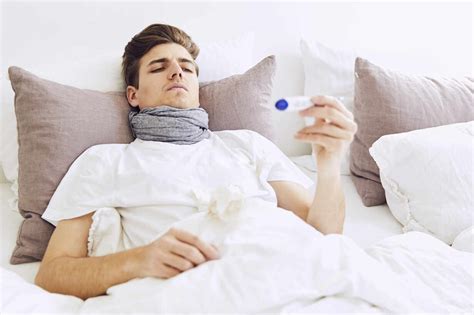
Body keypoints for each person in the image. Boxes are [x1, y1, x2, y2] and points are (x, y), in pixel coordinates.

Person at [34, 24, 357, 300]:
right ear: (133, 95)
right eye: (159, 67)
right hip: (189, 291)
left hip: (282, 277)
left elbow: (324, 235)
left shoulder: (247, 144)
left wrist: (329, 166)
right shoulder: (104, 160)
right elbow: (53, 273)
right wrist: (139, 260)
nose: (177, 72)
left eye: (187, 67)